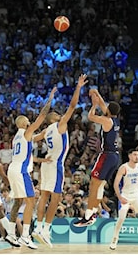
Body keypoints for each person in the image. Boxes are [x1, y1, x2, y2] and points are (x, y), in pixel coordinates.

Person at [32, 74, 88, 248]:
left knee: (44, 197)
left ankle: (38, 227)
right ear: (54, 119)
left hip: (45, 165)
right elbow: (72, 106)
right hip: (55, 164)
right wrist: (78, 87)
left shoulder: (45, 131)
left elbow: (31, 139)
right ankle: (46, 230)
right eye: (57, 114)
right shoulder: (59, 125)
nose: (60, 115)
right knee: (56, 199)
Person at [5, 87, 56, 250]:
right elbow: (41, 117)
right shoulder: (26, 132)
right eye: (28, 120)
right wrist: (50, 100)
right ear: (24, 123)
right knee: (31, 200)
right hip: (20, 171)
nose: (29, 121)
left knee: (19, 201)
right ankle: (25, 236)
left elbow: (29, 154)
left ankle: (11, 233)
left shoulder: (18, 137)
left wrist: (42, 159)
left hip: (13, 168)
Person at [74, 89, 121, 227]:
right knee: (99, 185)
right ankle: (93, 212)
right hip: (115, 157)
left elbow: (91, 117)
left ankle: (88, 215)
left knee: (93, 183)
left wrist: (93, 105)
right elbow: (104, 105)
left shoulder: (106, 121)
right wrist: (96, 94)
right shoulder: (115, 120)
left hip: (106, 155)